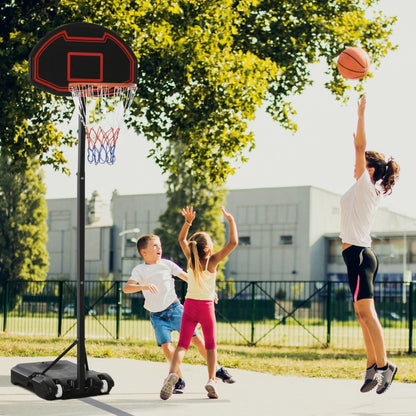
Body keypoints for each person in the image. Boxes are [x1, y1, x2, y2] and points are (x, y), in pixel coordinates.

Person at [340, 94, 400, 394]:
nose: (355, 163)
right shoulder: (361, 187)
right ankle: (371, 366)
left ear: (370, 169)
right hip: (354, 256)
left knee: (368, 313)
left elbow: (362, 147)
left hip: (361, 255)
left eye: (361, 162)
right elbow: (360, 151)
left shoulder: (366, 185)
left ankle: (385, 365)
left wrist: (361, 114)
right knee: (361, 313)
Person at [123, 233, 235, 394]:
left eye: (160, 245)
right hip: (157, 316)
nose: (159, 248)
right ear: (143, 252)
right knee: (167, 347)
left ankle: (217, 369)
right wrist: (144, 286)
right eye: (154, 245)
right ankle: (178, 379)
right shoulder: (139, 270)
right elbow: (127, 288)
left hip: (175, 310)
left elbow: (190, 277)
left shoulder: (167, 264)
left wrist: (209, 291)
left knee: (197, 340)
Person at [160, 206, 238, 400]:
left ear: (194, 248)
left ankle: (172, 374)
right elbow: (233, 242)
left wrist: (188, 222)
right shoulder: (213, 261)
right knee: (210, 345)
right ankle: (212, 380)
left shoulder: (190, 259)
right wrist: (230, 220)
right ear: (209, 249)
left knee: (182, 346)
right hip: (206, 308)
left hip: (190, 307)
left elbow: (181, 240)